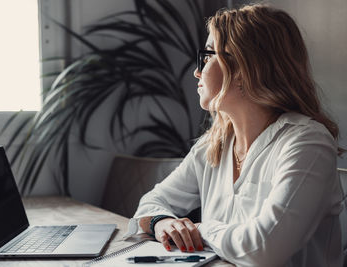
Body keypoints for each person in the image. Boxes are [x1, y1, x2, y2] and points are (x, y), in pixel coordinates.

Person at [125, 3, 345, 267]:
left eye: (207, 56)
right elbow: (150, 204)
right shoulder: (214, 144)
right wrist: (163, 223)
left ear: (242, 68)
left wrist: (201, 230)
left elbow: (264, 249)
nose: (197, 71)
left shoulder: (307, 143)